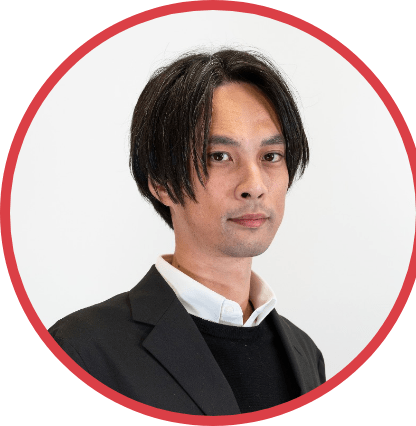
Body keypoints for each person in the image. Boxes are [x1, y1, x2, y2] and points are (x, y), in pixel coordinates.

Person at [49, 48, 326, 415]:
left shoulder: (306, 355)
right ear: (161, 182)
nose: (255, 186)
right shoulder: (82, 350)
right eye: (219, 156)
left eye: (271, 156)